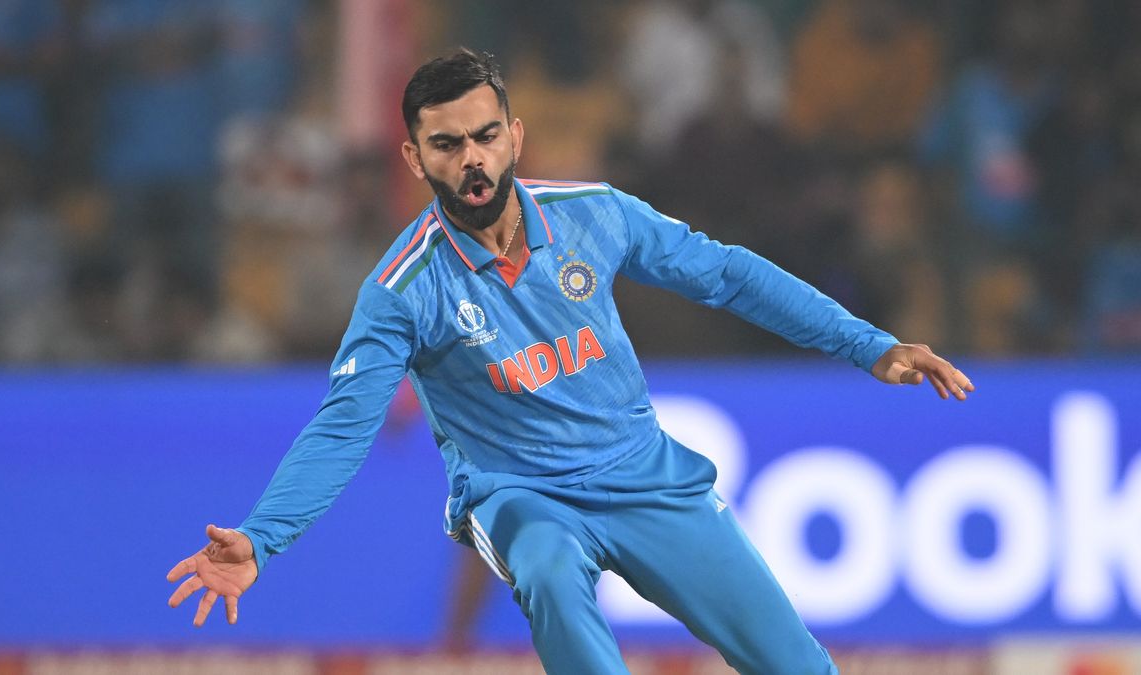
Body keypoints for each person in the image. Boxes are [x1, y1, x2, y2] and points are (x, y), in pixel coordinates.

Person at [166, 49, 975, 674]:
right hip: (519, 494)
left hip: (646, 476)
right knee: (548, 568)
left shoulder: (596, 215)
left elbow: (726, 274)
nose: (473, 159)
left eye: (486, 136)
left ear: (515, 135)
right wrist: (262, 537)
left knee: (797, 663)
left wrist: (867, 343)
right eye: (447, 145)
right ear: (415, 159)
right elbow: (342, 428)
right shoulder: (402, 290)